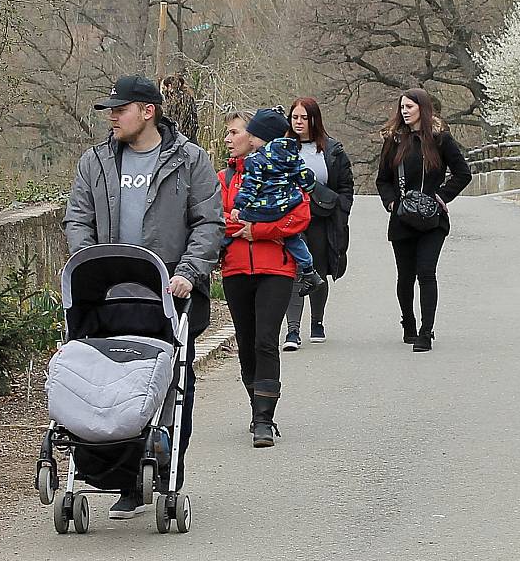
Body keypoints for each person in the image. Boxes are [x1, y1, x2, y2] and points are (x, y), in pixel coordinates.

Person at [63, 74, 223, 517]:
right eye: (110, 110)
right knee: (108, 387)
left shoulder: (190, 160)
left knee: (172, 386)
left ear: (148, 111)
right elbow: (77, 217)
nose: (112, 117)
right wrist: (91, 264)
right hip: (111, 298)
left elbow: (209, 223)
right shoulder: (95, 162)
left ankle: (163, 470)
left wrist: (189, 273)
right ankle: (120, 478)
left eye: (120, 109)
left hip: (172, 296)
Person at [220, 108, 311, 448]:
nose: (229, 139)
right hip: (235, 269)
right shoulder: (225, 179)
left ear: (254, 137)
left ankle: (264, 419)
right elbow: (216, 220)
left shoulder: (283, 170)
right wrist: (241, 229)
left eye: (235, 132)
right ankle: (255, 404)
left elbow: (300, 217)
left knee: (265, 340)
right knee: (246, 342)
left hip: (277, 268)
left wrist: (256, 230)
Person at [375, 88, 471, 352]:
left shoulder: (440, 139)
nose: (405, 111)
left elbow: (463, 173)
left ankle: (426, 332)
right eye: (402, 107)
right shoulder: (393, 141)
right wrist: (392, 201)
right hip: (402, 218)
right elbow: (382, 179)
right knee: (405, 276)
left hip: (432, 220)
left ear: (423, 109)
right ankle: (408, 321)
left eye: (410, 107)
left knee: (426, 272)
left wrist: (441, 197)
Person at [226, 107, 324, 297]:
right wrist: (310, 188)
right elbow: (305, 176)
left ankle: (219, 251)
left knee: (231, 224)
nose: (251, 140)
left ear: (264, 137)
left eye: (253, 136)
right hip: (286, 206)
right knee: (293, 239)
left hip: (263, 209)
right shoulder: (293, 154)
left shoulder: (256, 159)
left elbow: (250, 186)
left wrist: (239, 207)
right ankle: (309, 270)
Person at [283, 97, 354, 350]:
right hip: (291, 220)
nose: (299, 122)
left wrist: (341, 211)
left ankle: (317, 321)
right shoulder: (283, 148)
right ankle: (292, 330)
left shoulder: (332, 150)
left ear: (315, 119)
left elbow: (346, 186)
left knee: (318, 271)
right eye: (295, 117)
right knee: (294, 272)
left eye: (304, 117)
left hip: (322, 221)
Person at [161, 73, 199, 143]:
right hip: (190, 138)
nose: (163, 91)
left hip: (181, 140)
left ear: (169, 86)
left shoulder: (176, 101)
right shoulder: (188, 97)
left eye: (164, 88)